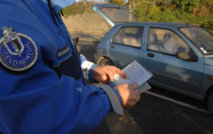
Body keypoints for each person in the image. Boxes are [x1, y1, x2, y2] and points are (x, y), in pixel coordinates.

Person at [0, 0, 141, 134]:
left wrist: (92, 70)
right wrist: (113, 97)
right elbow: (41, 116)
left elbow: (61, 54)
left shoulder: (44, 6)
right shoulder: (9, 11)